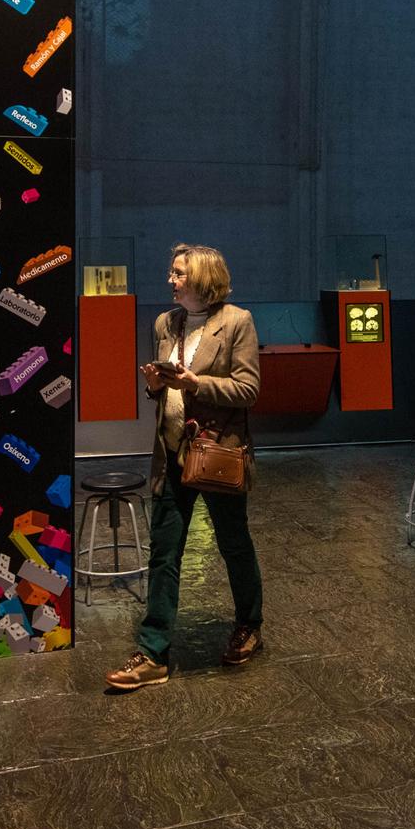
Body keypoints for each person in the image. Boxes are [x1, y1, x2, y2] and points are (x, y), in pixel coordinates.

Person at [106, 243, 265, 691]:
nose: (170, 281)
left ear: (202, 279)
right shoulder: (165, 323)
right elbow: (164, 392)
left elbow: (248, 389)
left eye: (178, 273)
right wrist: (155, 386)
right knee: (164, 553)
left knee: (234, 544)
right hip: (171, 456)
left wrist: (196, 382)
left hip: (216, 455)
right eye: (172, 273)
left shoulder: (238, 322)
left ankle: (249, 625)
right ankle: (153, 652)